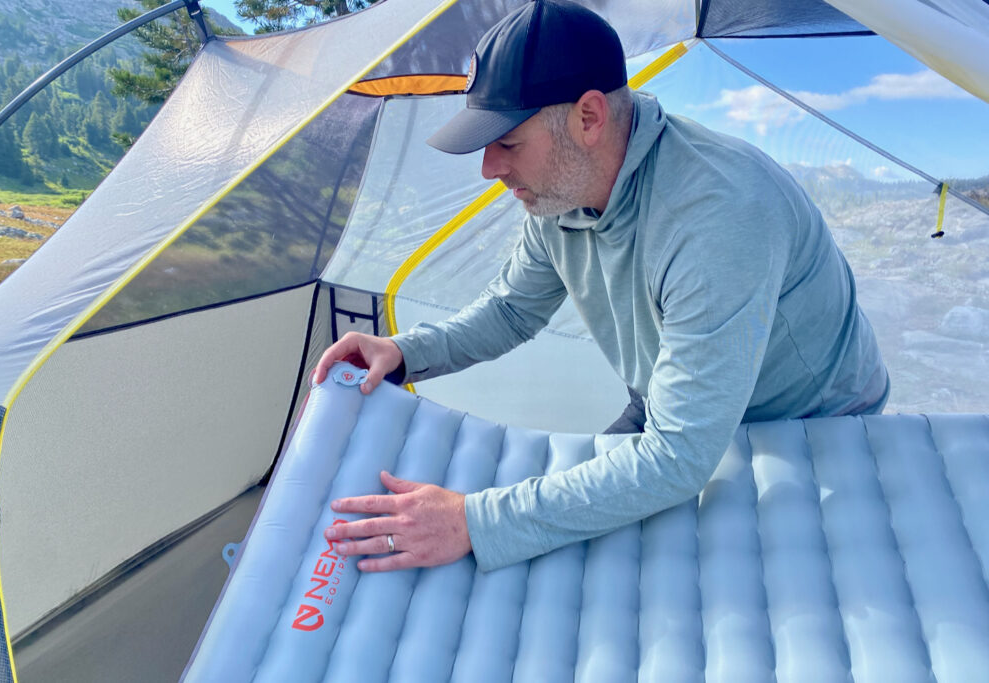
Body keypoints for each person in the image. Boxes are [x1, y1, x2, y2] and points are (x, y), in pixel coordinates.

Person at [314, 0, 889, 574]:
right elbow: (512, 311)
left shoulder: (718, 216)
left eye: (507, 142)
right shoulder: (559, 196)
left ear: (588, 117)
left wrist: (474, 521)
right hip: (664, 401)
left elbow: (679, 457)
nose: (489, 168)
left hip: (809, 420)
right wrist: (404, 351)